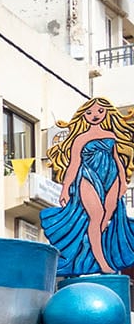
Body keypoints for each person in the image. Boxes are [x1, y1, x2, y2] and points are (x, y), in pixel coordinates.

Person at [41, 99, 134, 276]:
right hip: (88, 177)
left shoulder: (111, 135)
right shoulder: (80, 138)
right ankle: (102, 262)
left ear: (107, 112)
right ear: (83, 115)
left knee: (106, 219)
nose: (95, 115)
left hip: (111, 178)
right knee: (96, 216)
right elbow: (74, 164)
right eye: (89, 112)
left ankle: (88, 251)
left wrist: (122, 181)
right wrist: (65, 188)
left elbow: (117, 160)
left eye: (100, 111)